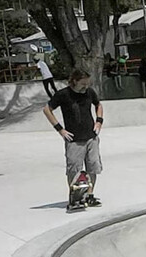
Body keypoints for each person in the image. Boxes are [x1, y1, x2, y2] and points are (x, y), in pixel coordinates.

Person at [41, 68, 104, 211]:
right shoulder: (63, 94)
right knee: (74, 170)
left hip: (91, 137)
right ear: (74, 81)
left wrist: (99, 121)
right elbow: (47, 109)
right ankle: (75, 198)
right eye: (83, 84)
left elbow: (98, 105)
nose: (85, 87)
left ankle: (89, 195)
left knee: (93, 167)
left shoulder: (89, 92)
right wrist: (60, 129)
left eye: (87, 84)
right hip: (74, 140)